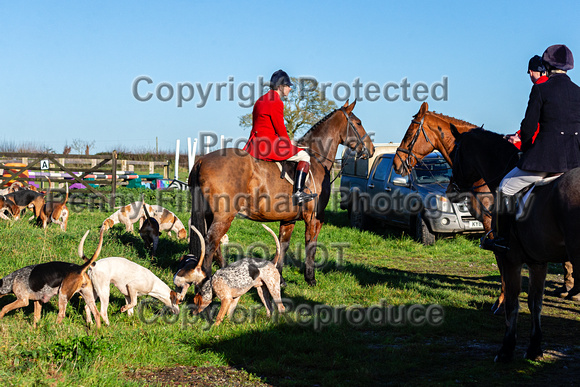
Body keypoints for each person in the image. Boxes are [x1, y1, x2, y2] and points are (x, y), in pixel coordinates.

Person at [482, 45, 580, 262]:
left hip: (545, 162)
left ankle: (503, 239)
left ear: (546, 65)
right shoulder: (578, 92)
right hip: (575, 162)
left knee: (505, 188)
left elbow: (528, 128)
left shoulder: (541, 90)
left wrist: (526, 149)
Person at [243, 69, 317, 205]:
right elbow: (280, 129)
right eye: (288, 86)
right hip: (269, 146)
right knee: (305, 156)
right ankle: (299, 193)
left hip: (254, 144)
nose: (289, 89)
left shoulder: (260, 100)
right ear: (280, 87)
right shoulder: (276, 102)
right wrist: (290, 143)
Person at [505, 55, 549, 148]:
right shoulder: (556, 86)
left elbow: (532, 122)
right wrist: (518, 134)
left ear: (531, 72)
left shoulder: (538, 88)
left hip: (541, 142)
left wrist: (520, 138)